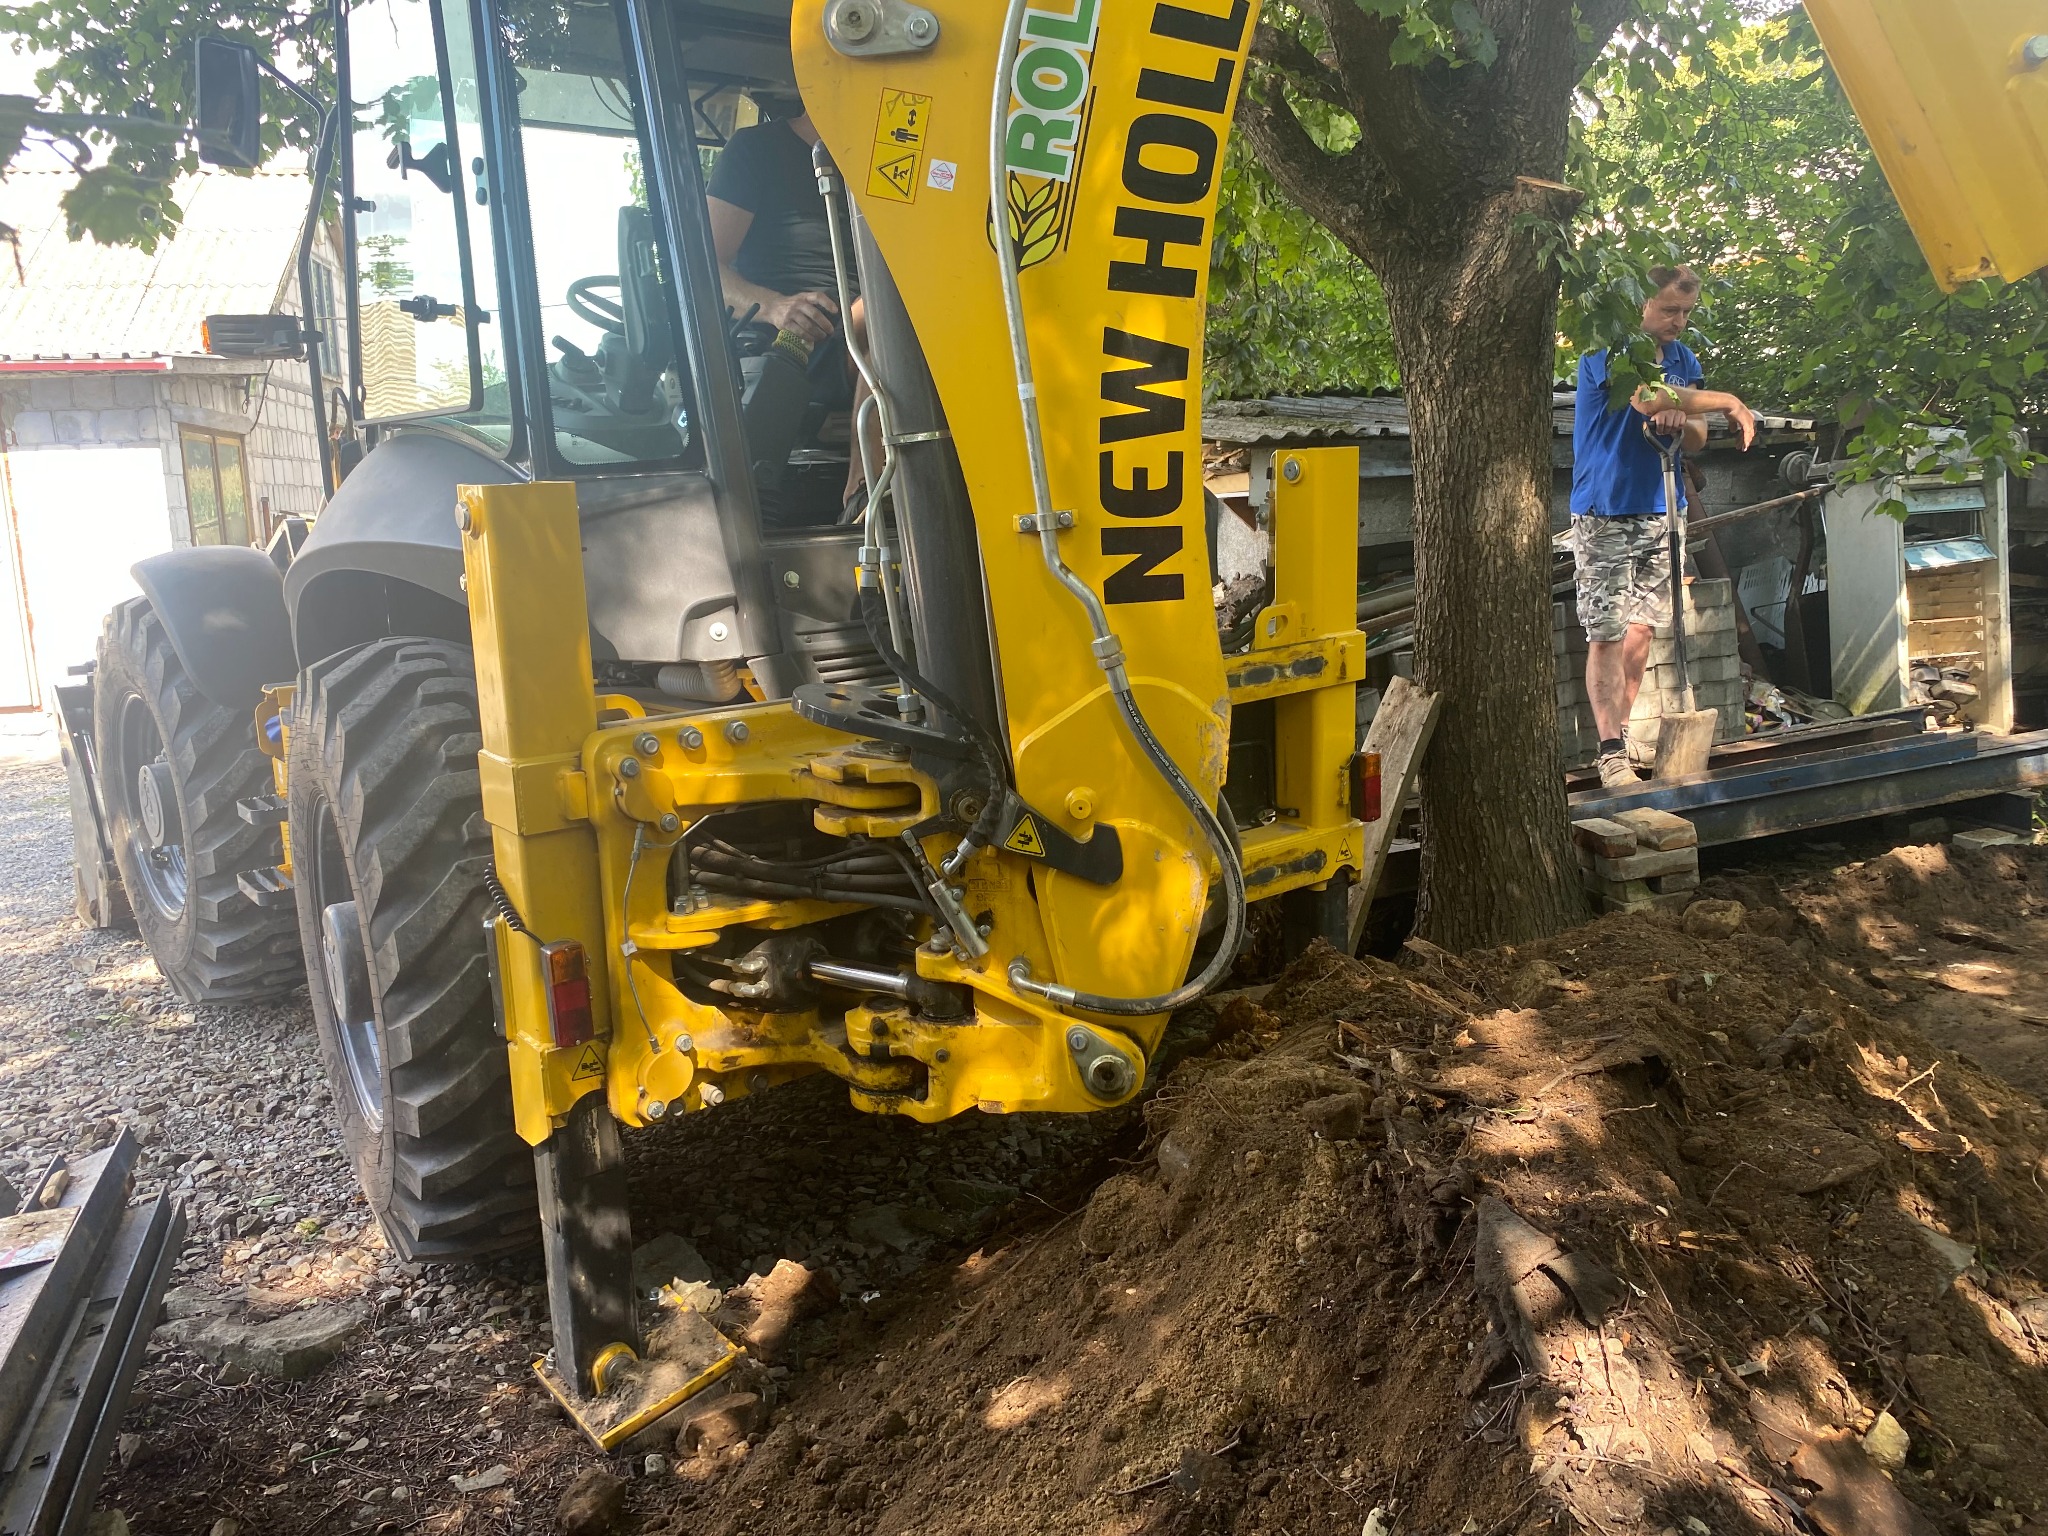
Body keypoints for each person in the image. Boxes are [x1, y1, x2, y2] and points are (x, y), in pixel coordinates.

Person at [1570, 265, 1758, 789]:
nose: (1679, 320)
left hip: (1661, 508)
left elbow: (1695, 435)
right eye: (1670, 309)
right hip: (1606, 508)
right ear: (1640, 305)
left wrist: (1684, 417)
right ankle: (1608, 751)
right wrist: (1727, 402)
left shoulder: (1682, 360)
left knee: (1642, 629)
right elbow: (1648, 398)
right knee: (1605, 633)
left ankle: (1624, 736)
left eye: (1687, 312)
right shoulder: (1606, 349)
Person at [705, 96, 871, 514]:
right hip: (789, 345)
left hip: (861, 326)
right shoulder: (755, 151)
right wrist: (775, 306)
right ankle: (864, 492)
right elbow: (704, 265)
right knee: (895, 321)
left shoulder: (887, 163)